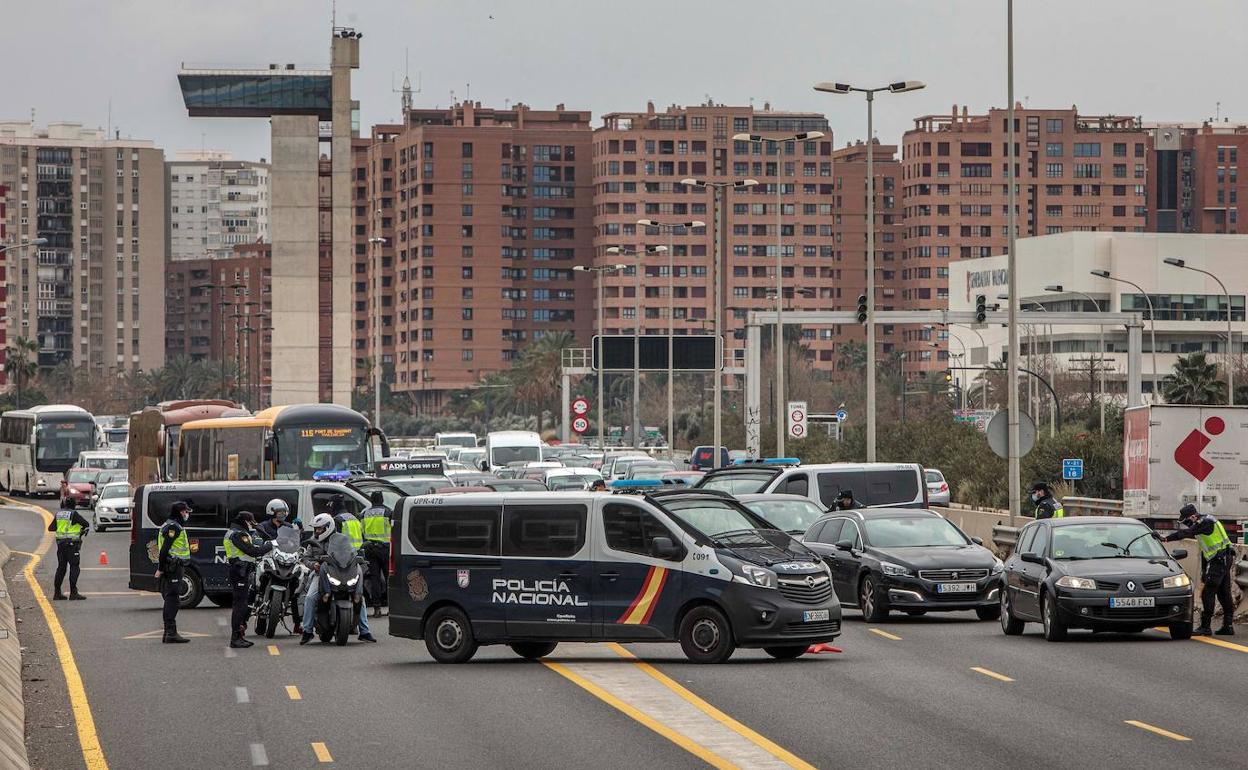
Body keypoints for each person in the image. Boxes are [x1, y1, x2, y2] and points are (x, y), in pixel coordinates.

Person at [299, 514, 376, 644]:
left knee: (359, 597)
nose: (317, 531)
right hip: (321, 574)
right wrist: (313, 565)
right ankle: (307, 631)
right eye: (316, 529)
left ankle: (364, 631)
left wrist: (357, 556)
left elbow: (351, 553)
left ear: (328, 527)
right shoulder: (313, 541)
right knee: (310, 597)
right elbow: (306, 558)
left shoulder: (342, 539)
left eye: (320, 528)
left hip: (341, 573)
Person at [1164, 503, 1235, 636]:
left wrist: (1166, 538)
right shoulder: (1205, 522)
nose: (1186, 524)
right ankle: (1228, 625)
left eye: (1186, 521)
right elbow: (1205, 552)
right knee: (1223, 592)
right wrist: (1204, 571)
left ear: (1192, 516)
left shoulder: (1205, 522)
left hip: (1220, 559)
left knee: (1208, 592)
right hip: (1223, 558)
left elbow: (1186, 533)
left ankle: (1205, 626)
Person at [223, 511, 274, 649]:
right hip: (239, 571)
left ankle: (239, 636)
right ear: (245, 521)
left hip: (240, 570)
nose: (252, 524)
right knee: (240, 605)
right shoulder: (238, 534)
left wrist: (260, 531)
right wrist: (270, 545)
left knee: (241, 603)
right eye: (250, 521)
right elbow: (252, 552)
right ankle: (236, 638)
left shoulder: (235, 531)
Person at [156, 501, 193, 644]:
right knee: (173, 600)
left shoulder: (172, 525)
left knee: (173, 599)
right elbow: (165, 549)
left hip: (174, 566)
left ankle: (169, 632)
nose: (186, 514)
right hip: (173, 567)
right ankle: (170, 632)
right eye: (185, 512)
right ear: (179, 512)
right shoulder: (173, 527)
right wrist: (160, 568)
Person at [49, 497, 91, 600]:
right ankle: (73, 592)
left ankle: (57, 593)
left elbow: (51, 528)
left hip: (60, 545)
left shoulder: (59, 514)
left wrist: (62, 528)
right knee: (74, 566)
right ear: (74, 505)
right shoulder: (73, 514)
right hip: (71, 545)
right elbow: (86, 524)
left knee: (61, 568)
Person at [360, 491, 392, 616]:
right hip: (385, 549)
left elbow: (362, 531)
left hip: (370, 549)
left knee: (375, 579)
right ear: (382, 500)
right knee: (389, 578)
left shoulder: (364, 514)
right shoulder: (388, 512)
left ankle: (377, 608)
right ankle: (392, 607)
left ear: (372, 501)